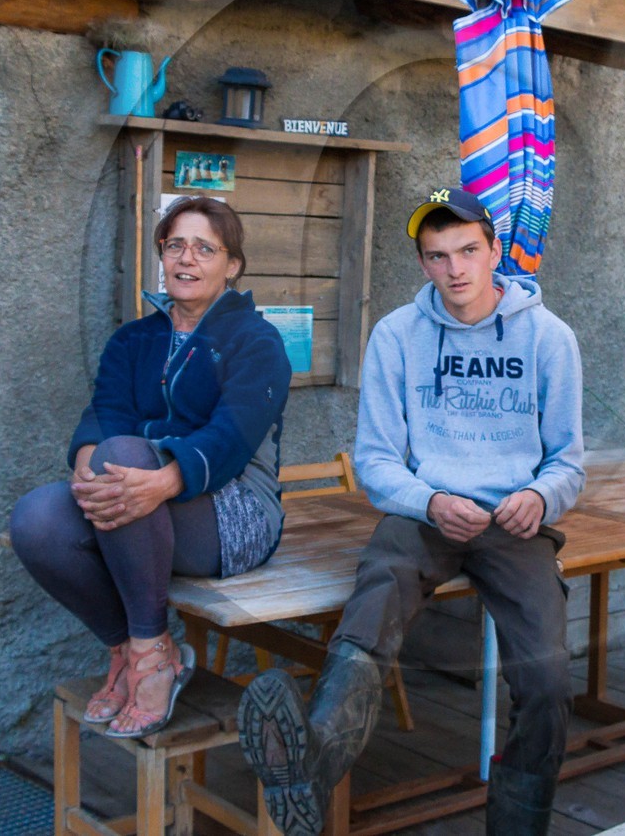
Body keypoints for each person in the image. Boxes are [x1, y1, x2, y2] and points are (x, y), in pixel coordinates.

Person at [237, 186, 586, 836]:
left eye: (466, 251)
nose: (454, 268)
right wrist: (428, 499)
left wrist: (538, 497)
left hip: (516, 524)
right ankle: (313, 758)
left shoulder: (549, 338)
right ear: (422, 262)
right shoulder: (397, 336)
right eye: (437, 255)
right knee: (378, 592)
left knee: (547, 677)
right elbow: (375, 461)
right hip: (425, 512)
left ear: (494, 251)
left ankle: (517, 824)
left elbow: (568, 463)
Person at [10, 196, 292, 739]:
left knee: (123, 457)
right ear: (161, 256)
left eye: (205, 249)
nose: (187, 259)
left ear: (232, 265)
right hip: (139, 500)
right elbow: (105, 414)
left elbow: (231, 438)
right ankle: (136, 649)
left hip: (232, 515)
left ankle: (150, 651)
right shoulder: (133, 340)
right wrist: (87, 474)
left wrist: (158, 480)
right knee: (37, 519)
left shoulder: (256, 340)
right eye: (175, 245)